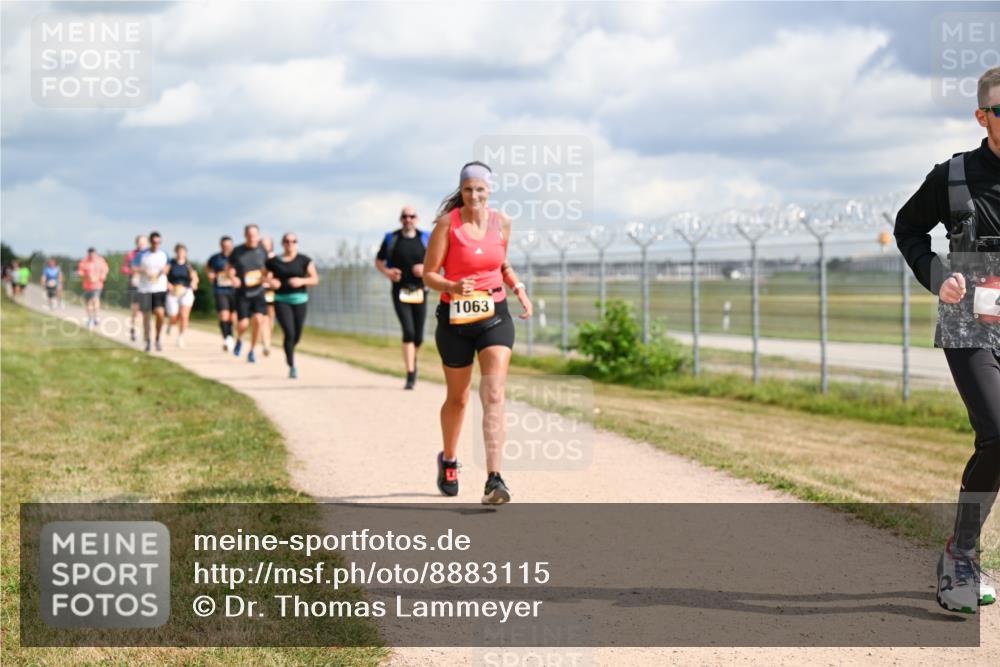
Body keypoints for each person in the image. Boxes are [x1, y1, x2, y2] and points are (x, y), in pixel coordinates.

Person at [895, 66, 1000, 614]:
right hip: (970, 324)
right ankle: (960, 556)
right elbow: (907, 228)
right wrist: (939, 277)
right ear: (983, 116)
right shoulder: (953, 175)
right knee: (999, 433)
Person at [421, 161, 532, 505]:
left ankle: (494, 479)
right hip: (455, 320)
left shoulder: (503, 222)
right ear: (462, 191)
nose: (473, 195)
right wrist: (453, 285)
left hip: (494, 316)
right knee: (459, 398)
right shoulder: (446, 224)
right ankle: (449, 459)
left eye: (480, 189)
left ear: (490, 190)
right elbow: (428, 275)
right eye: (468, 189)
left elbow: (501, 263)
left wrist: (518, 288)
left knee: (494, 393)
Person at [376, 206, 431, 389]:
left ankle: (412, 360)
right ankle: (410, 373)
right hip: (400, 291)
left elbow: (439, 260)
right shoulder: (392, 238)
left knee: (419, 336)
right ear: (400, 219)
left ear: (417, 218)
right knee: (408, 331)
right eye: (405, 216)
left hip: (420, 290)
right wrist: (388, 272)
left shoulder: (426, 238)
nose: (408, 219)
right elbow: (379, 261)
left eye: (412, 216)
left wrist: (425, 270)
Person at [267, 233, 319, 378]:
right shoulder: (273, 261)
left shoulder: (304, 260)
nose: (290, 243)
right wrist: (271, 282)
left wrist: (302, 281)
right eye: (287, 241)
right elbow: (263, 276)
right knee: (289, 332)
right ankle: (292, 365)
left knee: (297, 335)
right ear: (282, 243)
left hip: (300, 300)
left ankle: (288, 348)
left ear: (297, 243)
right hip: (281, 299)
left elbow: (315, 279)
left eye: (293, 241)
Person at [227, 224, 269, 363]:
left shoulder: (263, 251)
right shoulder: (237, 251)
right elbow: (229, 268)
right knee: (243, 324)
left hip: (258, 291)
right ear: (245, 235)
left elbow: (268, 269)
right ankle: (239, 339)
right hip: (242, 293)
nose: (252, 237)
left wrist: (266, 277)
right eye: (249, 235)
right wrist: (233, 278)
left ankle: (251, 350)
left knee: (258, 320)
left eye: (254, 235)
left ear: (258, 235)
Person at [137, 232, 170, 352]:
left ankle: (157, 338)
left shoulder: (164, 254)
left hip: (159, 288)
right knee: (146, 316)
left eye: (158, 242)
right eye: (154, 242)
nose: (156, 244)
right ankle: (147, 340)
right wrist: (145, 271)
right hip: (145, 288)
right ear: (150, 242)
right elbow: (134, 267)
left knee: (160, 314)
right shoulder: (142, 254)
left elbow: (168, 266)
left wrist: (160, 273)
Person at [166, 243, 199, 348]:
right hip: (173, 291)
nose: (181, 254)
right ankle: (171, 324)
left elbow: (194, 277)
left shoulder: (189, 265)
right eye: (179, 252)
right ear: (176, 253)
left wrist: (194, 283)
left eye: (183, 252)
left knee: (184, 316)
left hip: (186, 291)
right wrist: (168, 285)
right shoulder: (171, 263)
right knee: (173, 315)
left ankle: (181, 337)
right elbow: (164, 275)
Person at [206, 236, 236, 352]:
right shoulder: (215, 258)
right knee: (224, 315)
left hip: (234, 291)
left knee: (232, 317)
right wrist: (210, 275)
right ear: (221, 246)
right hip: (220, 290)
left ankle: (230, 336)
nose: (226, 248)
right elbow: (208, 268)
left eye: (228, 246)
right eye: (224, 246)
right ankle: (227, 338)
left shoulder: (237, 258)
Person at [122, 235, 148, 341]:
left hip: (147, 286)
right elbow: (124, 268)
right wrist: (132, 272)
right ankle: (134, 329)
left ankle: (142, 331)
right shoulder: (131, 255)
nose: (141, 244)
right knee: (135, 310)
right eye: (139, 242)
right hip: (134, 284)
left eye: (143, 242)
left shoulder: (150, 254)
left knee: (144, 311)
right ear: (136, 243)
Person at [76, 248, 108, 328]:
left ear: (95, 253)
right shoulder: (84, 261)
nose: (92, 256)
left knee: (95, 299)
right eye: (90, 254)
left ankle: (96, 317)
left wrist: (99, 278)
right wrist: (86, 276)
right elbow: (80, 272)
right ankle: (90, 318)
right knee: (88, 302)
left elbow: (105, 270)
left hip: (97, 285)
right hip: (87, 285)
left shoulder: (100, 261)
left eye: (93, 254)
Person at [261, 236, 277, 357]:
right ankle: (265, 342)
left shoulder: (276, 258)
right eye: (262, 244)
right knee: (262, 316)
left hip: (271, 290)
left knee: (271, 315)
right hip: (260, 289)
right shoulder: (256, 257)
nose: (265, 246)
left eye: (267, 244)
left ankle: (268, 340)